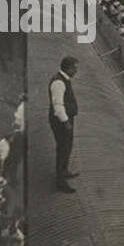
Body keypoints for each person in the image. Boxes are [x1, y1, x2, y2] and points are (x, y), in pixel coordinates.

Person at [49, 56, 79, 193]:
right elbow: (58, 105)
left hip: (66, 119)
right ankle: (60, 181)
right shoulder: (59, 83)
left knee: (67, 146)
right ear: (68, 68)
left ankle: (64, 170)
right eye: (75, 67)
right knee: (63, 148)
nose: (76, 70)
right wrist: (66, 122)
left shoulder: (64, 79)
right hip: (61, 121)